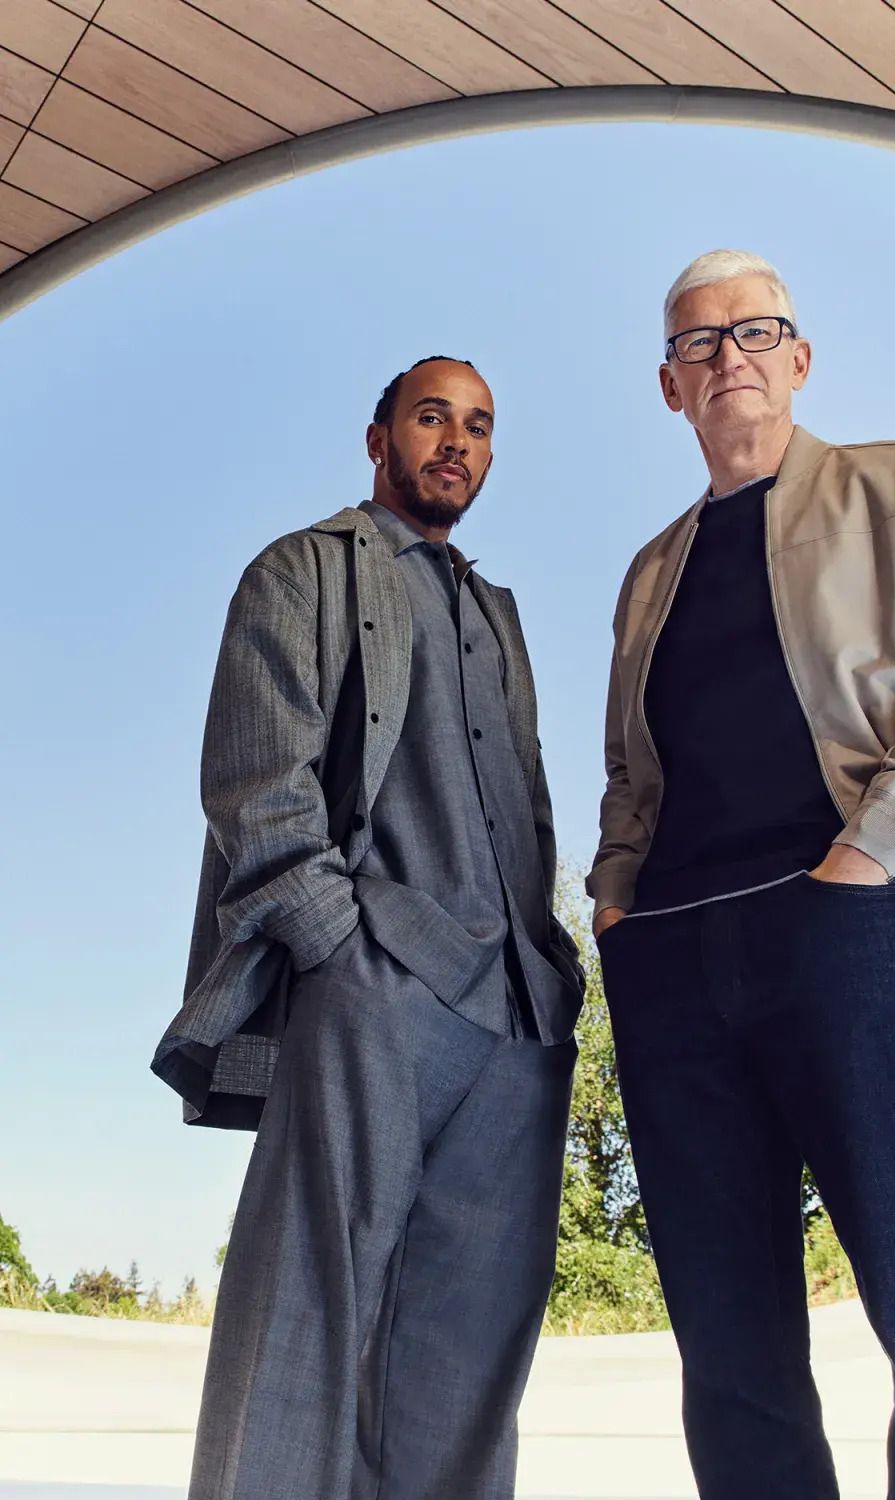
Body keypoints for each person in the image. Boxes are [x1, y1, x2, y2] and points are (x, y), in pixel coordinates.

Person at [588, 249, 895, 1499]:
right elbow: (630, 762)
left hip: (847, 918)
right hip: (672, 956)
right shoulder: (650, 569)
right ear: (670, 386)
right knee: (725, 1334)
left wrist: (870, 854)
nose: (728, 354)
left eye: (753, 330)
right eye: (698, 340)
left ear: (798, 358)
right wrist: (616, 899)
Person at [151, 356, 584, 1500]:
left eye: (479, 425)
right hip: (376, 984)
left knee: (473, 1357)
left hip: (518, 1015)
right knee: (306, 1317)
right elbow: (257, 779)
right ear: (379, 438)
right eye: (432, 417)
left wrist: (553, 966)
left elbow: (530, 810)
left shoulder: (496, 614)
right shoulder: (302, 568)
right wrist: (338, 946)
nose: (457, 442)